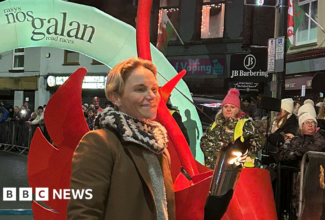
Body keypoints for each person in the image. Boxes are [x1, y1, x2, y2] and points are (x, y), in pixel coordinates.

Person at [67, 58, 175, 220]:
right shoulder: (99, 143)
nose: (151, 96)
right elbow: (83, 213)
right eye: (140, 89)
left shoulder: (158, 145)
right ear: (115, 97)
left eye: (154, 89)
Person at [200, 88, 265, 169]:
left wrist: (242, 151)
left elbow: (259, 141)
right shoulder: (215, 125)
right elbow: (203, 142)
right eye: (225, 106)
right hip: (213, 171)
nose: (228, 109)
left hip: (235, 172)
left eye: (232, 107)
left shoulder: (245, 124)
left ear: (237, 109)